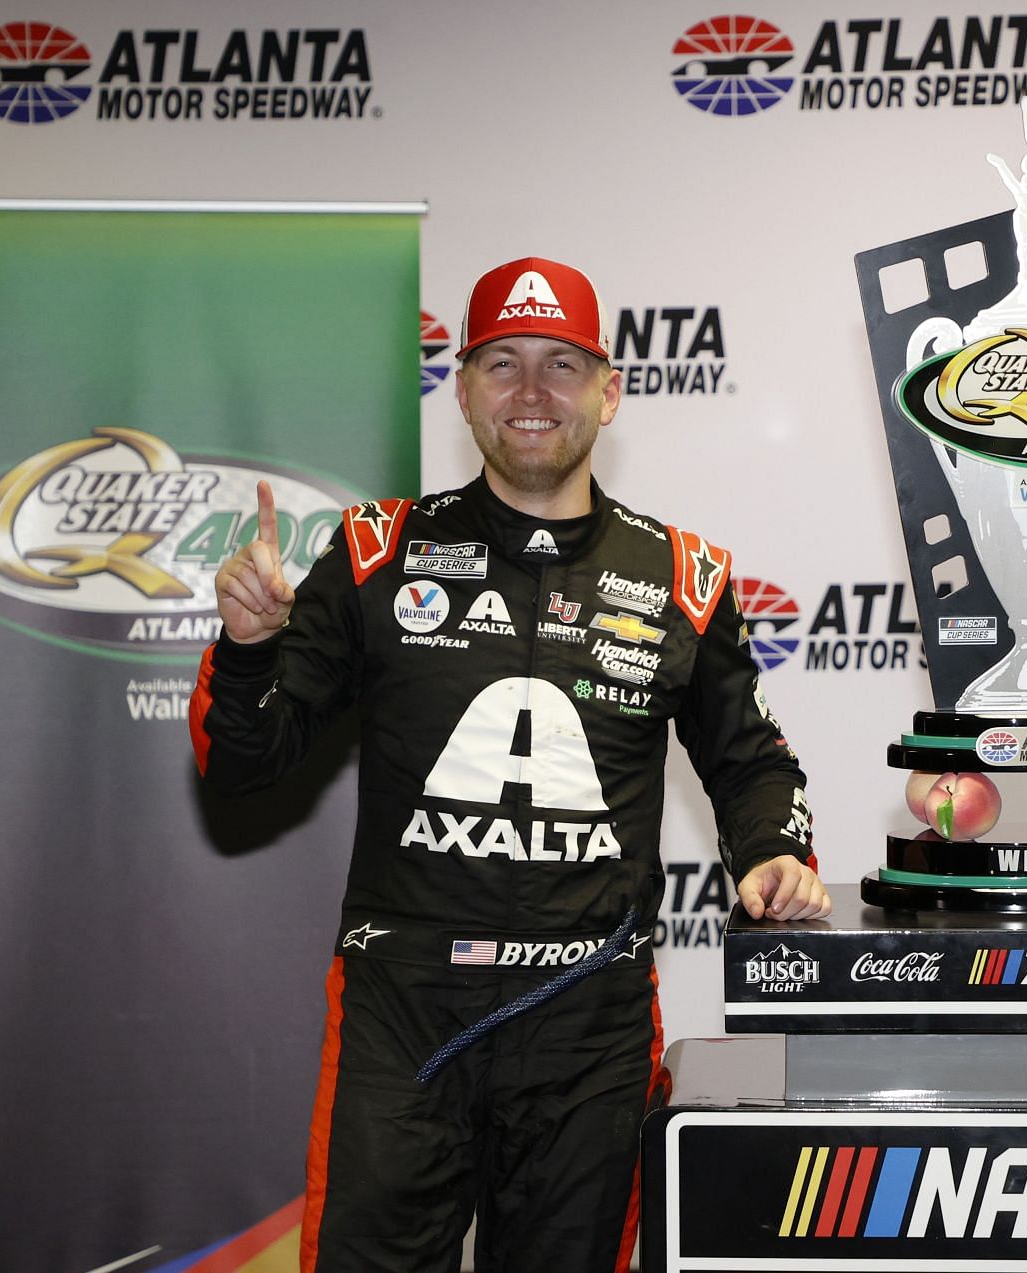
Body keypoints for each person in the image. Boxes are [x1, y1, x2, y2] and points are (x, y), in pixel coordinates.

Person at [189, 255, 830, 1273]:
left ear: (610, 391)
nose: (532, 393)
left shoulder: (682, 578)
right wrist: (249, 647)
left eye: (562, 364)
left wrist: (772, 850)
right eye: (502, 364)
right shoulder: (375, 552)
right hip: (403, 1016)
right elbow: (241, 764)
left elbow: (752, 761)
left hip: (587, 1025)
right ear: (464, 388)